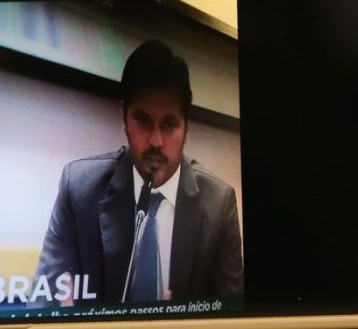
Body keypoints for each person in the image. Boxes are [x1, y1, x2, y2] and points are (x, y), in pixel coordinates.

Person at [33, 40, 243, 304]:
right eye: (142, 120)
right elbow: (43, 304)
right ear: (125, 120)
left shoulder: (220, 204)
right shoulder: (78, 189)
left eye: (169, 124)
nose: (155, 141)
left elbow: (232, 313)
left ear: (186, 129)